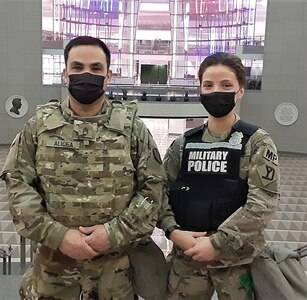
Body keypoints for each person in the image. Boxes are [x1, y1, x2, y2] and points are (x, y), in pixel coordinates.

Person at [1, 36, 166, 300]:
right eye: (77, 68)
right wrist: (58, 235)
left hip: (115, 275)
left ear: (108, 76)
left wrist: (114, 232)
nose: (86, 75)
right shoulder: (38, 126)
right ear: (65, 74)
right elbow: (18, 186)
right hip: (54, 272)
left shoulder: (132, 128)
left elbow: (153, 189)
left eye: (96, 68)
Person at [158, 52, 280, 299]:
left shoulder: (257, 143)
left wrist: (216, 243)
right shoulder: (183, 144)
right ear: (200, 91)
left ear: (240, 91)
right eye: (208, 85)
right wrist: (172, 230)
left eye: (226, 85)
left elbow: (263, 204)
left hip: (237, 263)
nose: (216, 91)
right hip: (188, 259)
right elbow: (158, 192)